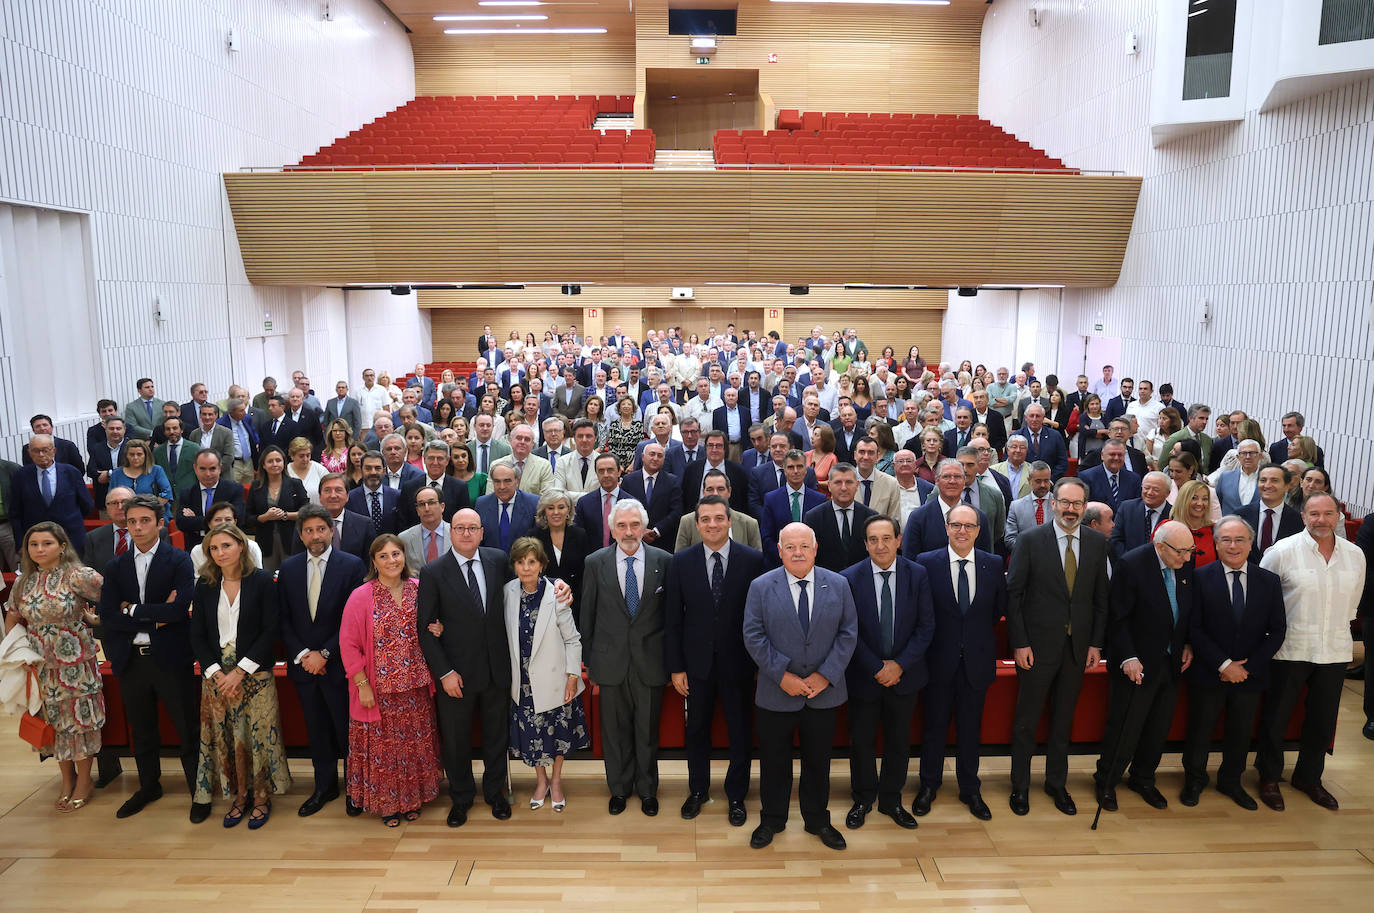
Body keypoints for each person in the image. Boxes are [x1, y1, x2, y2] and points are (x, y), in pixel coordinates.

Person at [743, 522, 857, 851]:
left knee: (818, 760)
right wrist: (782, 676)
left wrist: (825, 675)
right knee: (774, 761)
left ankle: (817, 820)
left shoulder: (838, 584)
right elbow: (753, 635)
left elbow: (848, 633)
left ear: (815, 549)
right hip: (776, 692)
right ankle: (772, 819)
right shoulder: (761, 586)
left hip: (825, 692)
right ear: (779, 551)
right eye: (790, 546)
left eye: (804, 546)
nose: (797, 552)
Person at [1006, 477, 1110, 816]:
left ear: (1084, 507)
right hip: (1036, 648)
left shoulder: (1096, 542)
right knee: (1027, 722)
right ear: (1053, 504)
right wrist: (1019, 643)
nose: (1070, 509)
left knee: (1063, 721)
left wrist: (1096, 642)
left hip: (1077, 648)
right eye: (1065, 502)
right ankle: (1020, 786)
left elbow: (1100, 600)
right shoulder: (1030, 540)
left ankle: (1056, 783)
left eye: (1077, 503)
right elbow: (1015, 596)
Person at [1255, 493, 1365, 812]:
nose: (1321, 520)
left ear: (1338, 517)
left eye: (1328, 513)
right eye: (1314, 514)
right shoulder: (1283, 552)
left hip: (1334, 649)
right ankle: (1269, 776)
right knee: (1277, 715)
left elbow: (1351, 604)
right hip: (1291, 647)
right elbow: (1263, 599)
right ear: (1303, 516)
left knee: (1322, 719)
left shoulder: (1355, 555)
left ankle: (1309, 778)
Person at [664, 495, 766, 826]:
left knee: (740, 732)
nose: (712, 525)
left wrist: (758, 665)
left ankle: (737, 795)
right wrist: (677, 666)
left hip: (740, 664)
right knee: (697, 731)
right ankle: (698, 791)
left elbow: (760, 617)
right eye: (705, 519)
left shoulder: (753, 560)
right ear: (697, 524)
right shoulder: (681, 561)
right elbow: (673, 620)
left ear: (730, 521)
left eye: (718, 519)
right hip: (696, 665)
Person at [96, 494, 198, 819]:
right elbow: (109, 615)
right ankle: (148, 785)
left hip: (170, 656)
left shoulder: (178, 559)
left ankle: (200, 790)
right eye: (131, 522)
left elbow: (180, 610)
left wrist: (134, 609)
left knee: (186, 727)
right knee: (141, 729)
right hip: (131, 658)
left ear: (158, 522)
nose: (137, 527)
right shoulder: (116, 565)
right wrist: (154, 614)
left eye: (144, 521)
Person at [414, 508, 514, 826]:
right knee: (456, 741)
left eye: (473, 528)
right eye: (460, 528)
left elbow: (525, 589)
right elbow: (426, 628)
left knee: (496, 737)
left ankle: (496, 794)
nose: (467, 533)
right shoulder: (433, 571)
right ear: (451, 532)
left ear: (482, 532)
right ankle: (461, 798)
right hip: (455, 674)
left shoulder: (499, 560)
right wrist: (444, 672)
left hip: (496, 669)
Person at [1181, 516, 1287, 810]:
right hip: (1209, 670)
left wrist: (1247, 667)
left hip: (1250, 675)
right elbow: (1194, 628)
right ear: (1215, 544)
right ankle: (1194, 780)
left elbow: (1277, 630)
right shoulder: (1199, 578)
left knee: (1241, 732)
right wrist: (1224, 664)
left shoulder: (1268, 581)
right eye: (1225, 539)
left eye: (1240, 539)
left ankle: (1231, 781)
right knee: (1200, 729)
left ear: (1251, 544)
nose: (1233, 545)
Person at [187, 524, 290, 827]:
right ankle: (239, 795)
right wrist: (217, 673)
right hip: (216, 676)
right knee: (227, 737)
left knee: (258, 738)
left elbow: (271, 628)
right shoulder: (205, 584)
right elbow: (197, 635)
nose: (220, 553)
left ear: (241, 547)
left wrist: (241, 671)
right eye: (214, 548)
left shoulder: (261, 580)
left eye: (226, 546)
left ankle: (260, 798)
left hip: (255, 674)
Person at [1092, 521, 1196, 813]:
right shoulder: (1132, 564)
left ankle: (1143, 778)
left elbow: (1187, 609)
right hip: (1136, 662)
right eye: (1181, 552)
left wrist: (1186, 643)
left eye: (1191, 551)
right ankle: (1106, 780)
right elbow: (1118, 617)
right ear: (1160, 547)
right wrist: (1127, 656)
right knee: (1126, 726)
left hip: (1171, 660)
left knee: (1158, 727)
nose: (1187, 558)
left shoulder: (1185, 561)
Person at [2, 522, 106, 812]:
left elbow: (111, 599)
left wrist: (97, 621)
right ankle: (65, 779)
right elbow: (12, 618)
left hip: (76, 663)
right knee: (55, 722)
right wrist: (17, 653)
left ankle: (84, 780)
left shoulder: (78, 575)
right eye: (33, 544)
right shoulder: (24, 582)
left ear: (62, 546)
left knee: (79, 722)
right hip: (40, 664)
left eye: (46, 543)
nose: (39, 549)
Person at [340, 534, 442, 826]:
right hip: (378, 689)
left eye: (395, 554)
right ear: (374, 561)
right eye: (383, 556)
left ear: (404, 556)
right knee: (385, 751)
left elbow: (433, 624)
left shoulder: (419, 588)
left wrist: (438, 627)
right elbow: (348, 644)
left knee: (413, 746)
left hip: (416, 686)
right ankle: (387, 804)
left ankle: (412, 799)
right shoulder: (361, 596)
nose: (391, 561)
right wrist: (362, 685)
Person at [841, 515, 934, 831]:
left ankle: (891, 799)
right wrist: (876, 667)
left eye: (886, 538)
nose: (880, 545)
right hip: (864, 676)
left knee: (899, 741)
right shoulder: (849, 578)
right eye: (873, 539)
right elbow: (847, 631)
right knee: (862, 741)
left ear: (898, 540)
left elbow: (926, 627)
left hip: (905, 676)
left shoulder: (918, 574)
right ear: (865, 543)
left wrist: (899, 665)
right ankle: (863, 797)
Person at [913, 504, 1005, 820]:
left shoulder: (993, 565)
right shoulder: (926, 564)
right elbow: (922, 614)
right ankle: (928, 786)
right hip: (938, 662)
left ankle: (970, 789)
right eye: (956, 525)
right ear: (946, 527)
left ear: (979, 530)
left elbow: (995, 612)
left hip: (976, 663)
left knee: (970, 730)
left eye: (969, 525)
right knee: (934, 729)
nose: (962, 531)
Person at [580, 498, 672, 817]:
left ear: (645, 527)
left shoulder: (664, 561)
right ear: (612, 529)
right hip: (609, 661)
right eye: (622, 525)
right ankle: (618, 789)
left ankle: (647, 790)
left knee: (647, 730)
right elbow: (587, 615)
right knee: (614, 733)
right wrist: (589, 661)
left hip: (651, 661)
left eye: (635, 524)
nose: (629, 531)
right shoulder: (595, 562)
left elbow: (671, 617)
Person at [277, 504, 366, 817]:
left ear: (331, 531)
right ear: (300, 536)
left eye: (321, 529)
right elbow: (283, 619)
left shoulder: (353, 565)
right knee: (316, 730)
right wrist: (304, 655)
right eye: (308, 530)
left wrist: (326, 653)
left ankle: (356, 789)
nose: (315, 536)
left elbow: (353, 620)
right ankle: (324, 787)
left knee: (347, 731)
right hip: (304, 666)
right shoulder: (288, 569)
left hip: (340, 665)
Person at [503, 537, 589, 812]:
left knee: (558, 734)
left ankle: (557, 781)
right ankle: (540, 781)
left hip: (556, 678)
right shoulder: (507, 593)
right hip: (524, 682)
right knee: (532, 736)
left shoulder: (557, 593)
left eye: (531, 561)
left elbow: (573, 639)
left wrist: (573, 676)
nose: (526, 567)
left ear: (541, 564)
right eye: (520, 562)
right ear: (514, 565)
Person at [12, 434, 95, 552]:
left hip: (70, 537)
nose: (41, 454)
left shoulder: (71, 472)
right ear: (30, 453)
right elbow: (15, 512)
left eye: (45, 450)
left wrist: (69, 519)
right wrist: (20, 543)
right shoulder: (21, 476)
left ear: (54, 451)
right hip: (37, 541)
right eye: (36, 451)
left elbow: (86, 504)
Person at [530, 490, 591, 626]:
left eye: (561, 507)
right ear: (544, 511)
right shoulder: (533, 537)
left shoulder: (580, 535)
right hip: (543, 605)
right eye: (551, 508)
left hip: (575, 605)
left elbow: (586, 573)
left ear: (568, 510)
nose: (556, 512)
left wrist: (573, 597)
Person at [244, 445, 309, 572]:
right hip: (266, 541)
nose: (275, 464)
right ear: (263, 465)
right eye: (270, 461)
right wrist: (265, 517)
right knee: (268, 578)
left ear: (284, 463)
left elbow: (306, 511)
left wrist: (286, 515)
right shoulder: (256, 486)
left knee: (292, 576)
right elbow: (247, 517)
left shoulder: (295, 484)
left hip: (291, 539)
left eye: (278, 460)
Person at [805, 463, 875, 572]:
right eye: (838, 482)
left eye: (849, 482)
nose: (843, 488)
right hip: (827, 582)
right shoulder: (813, 517)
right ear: (829, 485)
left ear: (857, 485)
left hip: (861, 581)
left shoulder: (871, 517)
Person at [175, 450, 246, 550]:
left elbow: (239, 519)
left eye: (212, 469)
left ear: (220, 468)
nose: (207, 474)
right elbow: (181, 523)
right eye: (203, 469)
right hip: (197, 547)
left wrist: (197, 521)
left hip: (228, 546)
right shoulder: (187, 493)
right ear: (195, 469)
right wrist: (219, 521)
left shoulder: (234, 490)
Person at [109, 438, 173, 517]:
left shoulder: (156, 470)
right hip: (125, 515)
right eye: (131, 454)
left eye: (139, 454)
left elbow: (166, 493)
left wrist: (148, 510)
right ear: (126, 456)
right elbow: (111, 497)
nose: (135, 458)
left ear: (146, 455)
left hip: (153, 515)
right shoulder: (116, 474)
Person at [1174, 479, 1217, 567]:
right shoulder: (1168, 528)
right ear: (1183, 500)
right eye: (1194, 498)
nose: (1200, 503)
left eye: (1205, 499)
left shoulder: (1217, 530)